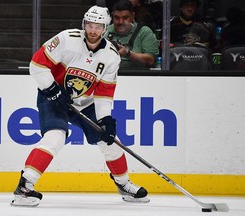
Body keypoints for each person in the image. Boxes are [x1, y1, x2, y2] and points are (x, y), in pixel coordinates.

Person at [11, 5, 149, 207]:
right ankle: (24, 188)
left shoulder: (111, 56)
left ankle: (123, 184)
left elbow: (103, 92)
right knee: (55, 138)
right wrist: (52, 91)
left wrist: (105, 119)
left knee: (110, 142)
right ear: (84, 24)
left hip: (86, 102)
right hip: (54, 97)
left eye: (98, 26)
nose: (93, 30)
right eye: (90, 25)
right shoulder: (67, 39)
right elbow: (37, 65)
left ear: (105, 28)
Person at [105, 0, 159, 68]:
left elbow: (150, 60)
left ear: (132, 16)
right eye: (117, 18)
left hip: (137, 76)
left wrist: (127, 53)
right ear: (112, 16)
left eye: (125, 18)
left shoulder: (144, 32)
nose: (120, 22)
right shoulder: (105, 31)